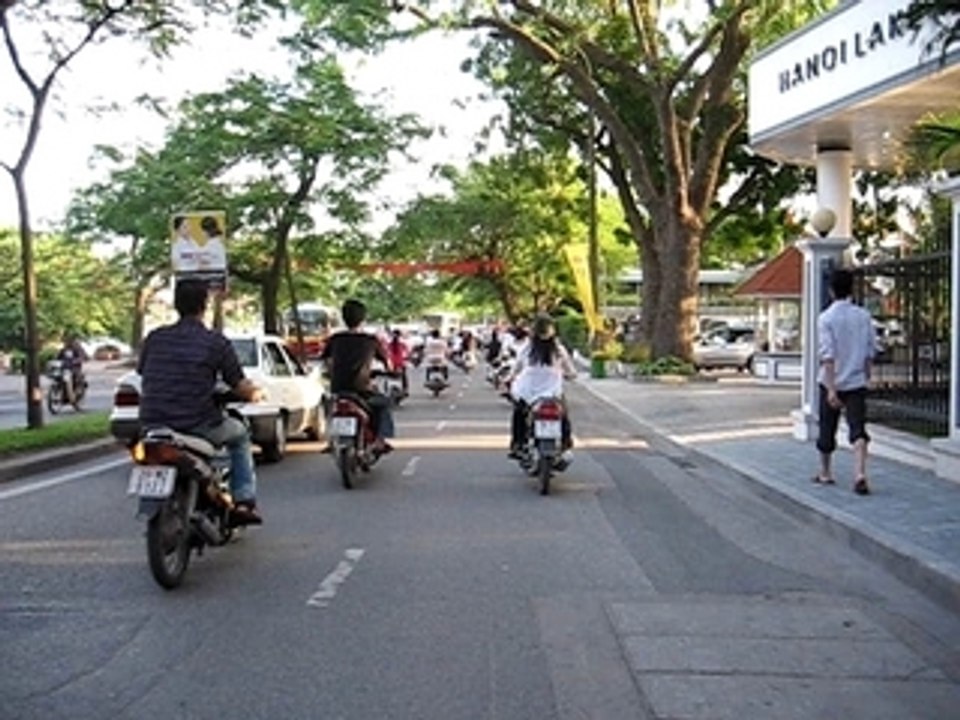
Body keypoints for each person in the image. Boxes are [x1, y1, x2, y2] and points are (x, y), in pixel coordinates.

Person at [138, 278, 265, 525]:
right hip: (197, 424)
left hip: (152, 423)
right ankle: (244, 501)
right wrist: (255, 394)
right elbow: (239, 385)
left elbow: (144, 371)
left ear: (176, 305)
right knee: (239, 436)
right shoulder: (215, 342)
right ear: (204, 305)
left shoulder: (155, 338)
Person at [814, 267, 877, 496]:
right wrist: (866, 376)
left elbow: (827, 356)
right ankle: (860, 473)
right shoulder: (863, 316)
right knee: (858, 429)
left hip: (832, 380)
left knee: (826, 428)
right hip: (856, 380)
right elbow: (870, 351)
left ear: (831, 290)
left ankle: (825, 472)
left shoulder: (826, 318)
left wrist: (831, 389)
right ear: (852, 289)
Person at [319, 299, 395, 452]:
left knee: (331, 407)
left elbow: (325, 360)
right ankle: (380, 440)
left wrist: (331, 372)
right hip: (362, 389)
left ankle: (332, 440)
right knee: (383, 404)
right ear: (363, 318)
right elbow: (388, 363)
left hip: (338, 387)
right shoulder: (371, 340)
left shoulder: (335, 339)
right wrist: (389, 370)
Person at [506, 314, 578, 460]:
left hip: (527, 393)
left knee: (519, 414)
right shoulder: (559, 350)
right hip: (552, 393)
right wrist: (568, 375)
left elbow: (515, 369)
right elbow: (572, 372)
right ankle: (565, 442)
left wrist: (509, 378)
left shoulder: (527, 349)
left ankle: (518, 444)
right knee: (563, 415)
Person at [56, 334, 87, 405]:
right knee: (58, 377)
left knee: (75, 378)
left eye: (68, 340)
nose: (67, 342)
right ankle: (62, 393)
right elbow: (58, 357)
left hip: (74, 369)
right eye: (66, 341)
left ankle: (75, 394)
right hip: (65, 369)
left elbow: (83, 356)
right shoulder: (64, 349)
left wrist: (77, 361)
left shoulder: (77, 348)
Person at [386, 329, 410, 397]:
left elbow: (386, 353)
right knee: (404, 376)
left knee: (387, 376)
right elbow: (407, 353)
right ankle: (405, 389)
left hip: (391, 364)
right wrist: (407, 358)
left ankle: (386, 390)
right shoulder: (402, 344)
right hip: (400, 363)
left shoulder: (389, 344)